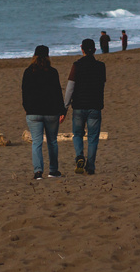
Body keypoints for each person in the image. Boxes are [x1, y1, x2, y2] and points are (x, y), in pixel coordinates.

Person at [21, 44, 65, 181]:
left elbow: (25, 93)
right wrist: (62, 110)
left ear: (34, 56)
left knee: (37, 142)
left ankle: (38, 171)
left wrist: (27, 108)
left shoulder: (28, 72)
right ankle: (53, 170)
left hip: (33, 112)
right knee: (52, 141)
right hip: (51, 112)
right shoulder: (52, 72)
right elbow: (58, 93)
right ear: (47, 56)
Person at [66, 37, 107, 175]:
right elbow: (101, 84)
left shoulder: (76, 65)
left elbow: (70, 88)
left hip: (78, 105)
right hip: (95, 105)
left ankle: (79, 156)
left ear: (81, 48)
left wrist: (65, 106)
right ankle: (90, 166)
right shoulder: (101, 66)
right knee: (93, 137)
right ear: (95, 50)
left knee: (77, 134)